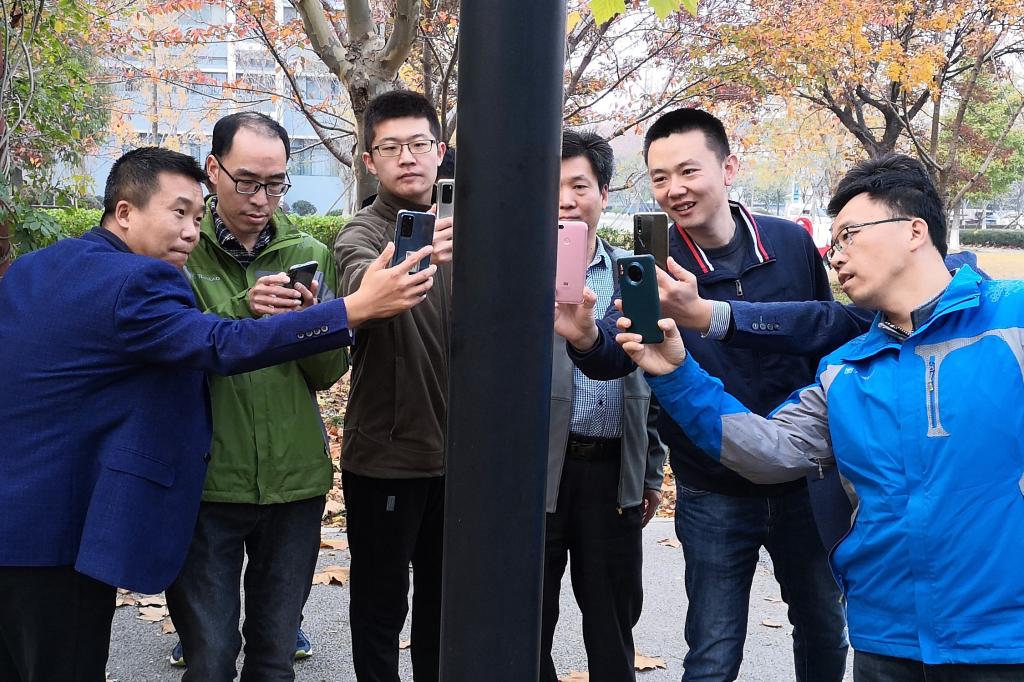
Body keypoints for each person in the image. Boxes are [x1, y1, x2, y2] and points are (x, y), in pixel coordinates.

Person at [0, 146, 435, 682]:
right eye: (178, 213)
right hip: (56, 537)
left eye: (196, 216)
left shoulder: (36, 267)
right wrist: (354, 307)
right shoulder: (138, 280)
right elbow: (221, 344)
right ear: (125, 212)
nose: (190, 231)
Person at [614, 153, 1024, 681]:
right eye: (833, 241)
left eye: (850, 234)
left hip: (1003, 642)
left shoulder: (1011, 320)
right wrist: (675, 373)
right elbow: (767, 450)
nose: (835, 254)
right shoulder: (844, 371)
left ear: (914, 230)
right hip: (886, 643)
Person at [559, 108, 848, 681]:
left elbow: (826, 331)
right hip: (711, 485)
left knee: (821, 627)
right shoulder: (655, 263)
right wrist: (586, 338)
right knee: (713, 648)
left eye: (688, 171)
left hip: (804, 479)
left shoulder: (790, 243)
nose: (675, 189)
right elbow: (622, 352)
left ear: (728, 168)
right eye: (660, 177)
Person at [162, 112, 342, 680]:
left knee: (275, 655)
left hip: (294, 481)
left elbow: (327, 372)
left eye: (275, 183)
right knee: (210, 657)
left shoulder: (307, 250)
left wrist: (312, 324)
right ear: (213, 170)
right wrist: (246, 311)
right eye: (247, 182)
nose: (261, 199)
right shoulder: (179, 250)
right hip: (207, 481)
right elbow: (172, 350)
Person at [333, 90, 453, 682]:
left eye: (418, 144)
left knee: (444, 608)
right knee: (381, 608)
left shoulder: (473, 226)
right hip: (387, 456)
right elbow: (360, 282)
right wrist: (412, 261)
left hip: (463, 462)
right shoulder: (360, 233)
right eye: (391, 147)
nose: (407, 157)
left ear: (440, 151)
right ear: (369, 160)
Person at [542, 130, 667, 682]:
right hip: (536, 473)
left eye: (579, 186)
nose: (566, 200)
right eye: (553, 187)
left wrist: (650, 472)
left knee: (613, 624)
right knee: (527, 617)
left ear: (603, 194)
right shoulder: (516, 275)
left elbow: (655, 378)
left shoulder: (631, 275)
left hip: (613, 472)